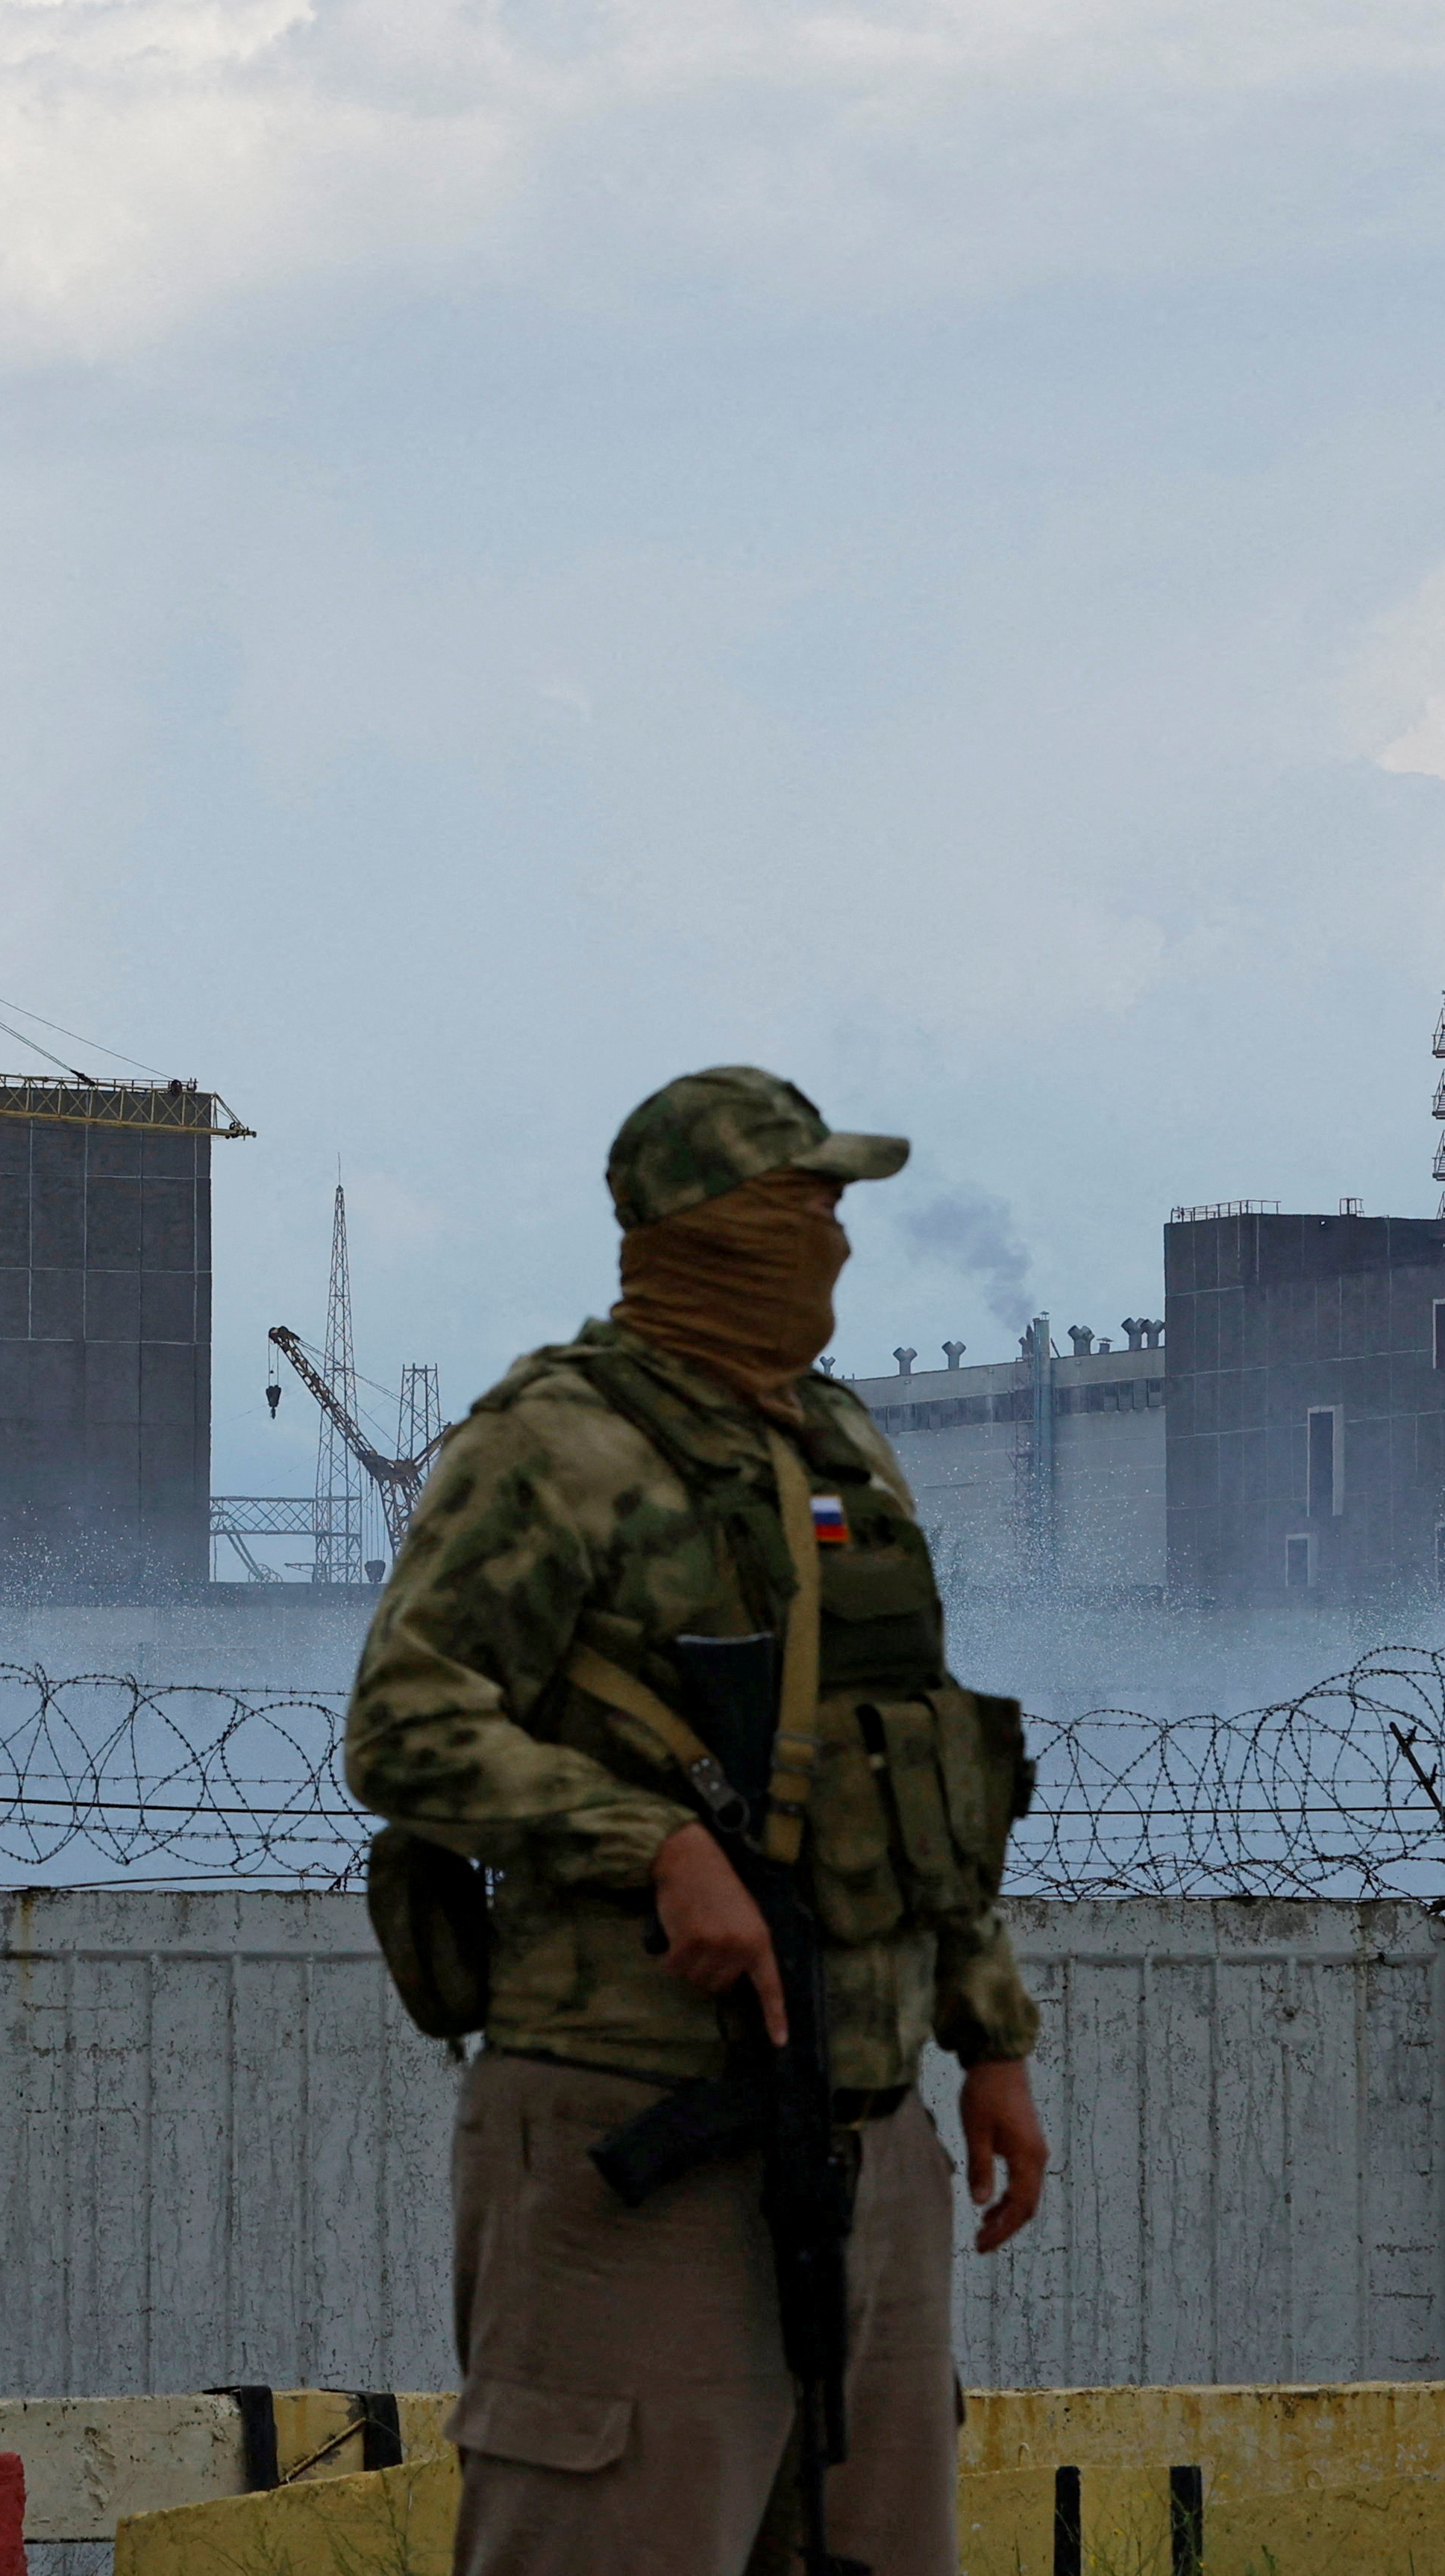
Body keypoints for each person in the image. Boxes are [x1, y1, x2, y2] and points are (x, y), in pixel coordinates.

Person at [343, 1065, 1048, 2576]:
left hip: (868, 2140)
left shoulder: (847, 1448)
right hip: (633, 2128)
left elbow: (915, 1754)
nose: (834, 1242)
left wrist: (987, 2038)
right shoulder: (552, 1446)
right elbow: (405, 1722)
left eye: (838, 1207)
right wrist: (649, 1843)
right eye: (801, 1205)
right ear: (704, 1230)